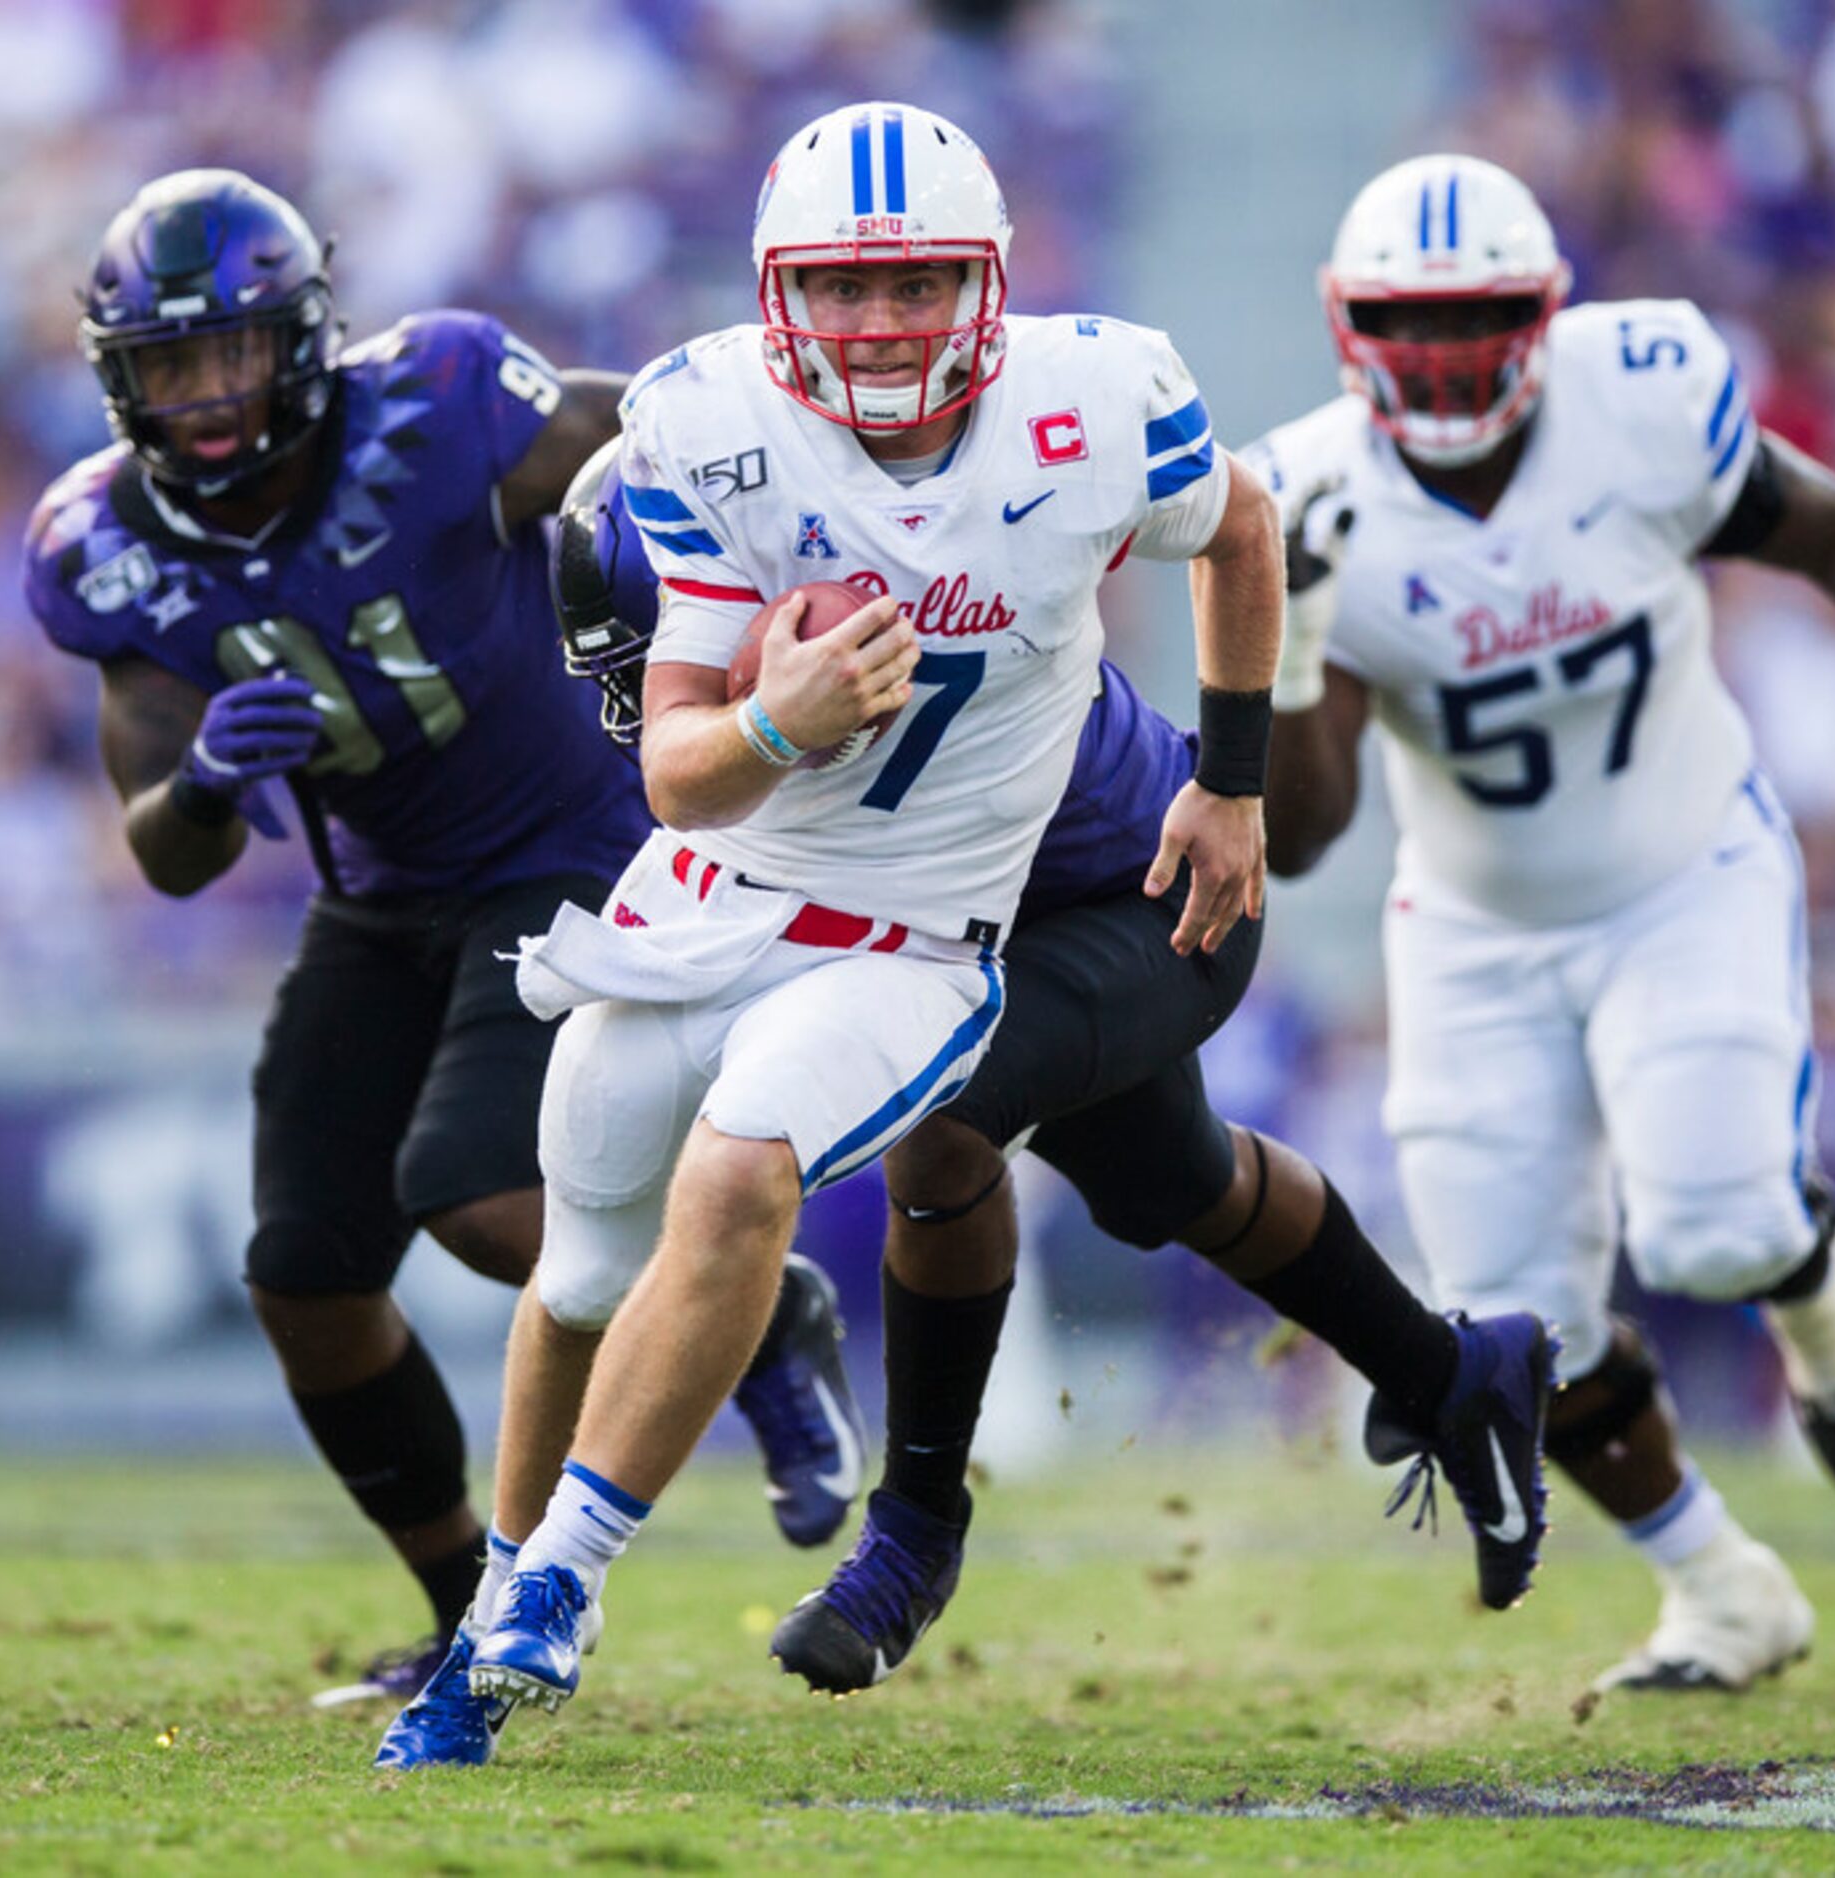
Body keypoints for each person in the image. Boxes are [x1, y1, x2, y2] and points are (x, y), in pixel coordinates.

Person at [379, 98, 1294, 1763]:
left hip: (911, 938)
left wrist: (1230, 778)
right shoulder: (706, 424)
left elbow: (1238, 524)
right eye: (842, 289)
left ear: (990, 284)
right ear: (773, 291)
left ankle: (565, 1581)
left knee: (740, 1168)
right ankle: (490, 1619)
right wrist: (781, 722)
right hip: (716, 900)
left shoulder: (1092, 400)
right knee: (577, 1262)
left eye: (922, 284)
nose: (881, 324)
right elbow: (675, 773)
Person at [20, 169, 866, 1705]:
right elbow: (165, 845)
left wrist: (700, 611)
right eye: (168, 366)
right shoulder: (102, 543)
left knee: (477, 1188)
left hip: (569, 848)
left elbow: (664, 441)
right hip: (381, 892)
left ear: (302, 341)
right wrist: (207, 780)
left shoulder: (439, 404)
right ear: (118, 378)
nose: (205, 400)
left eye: (230, 355)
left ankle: (754, 1314)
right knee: (304, 1267)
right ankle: (465, 1607)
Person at [539, 447, 1558, 1698]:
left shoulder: (865, 632)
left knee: (943, 1114)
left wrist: (1234, 776)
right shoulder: (784, 613)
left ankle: (913, 1532)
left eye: (682, 649)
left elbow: (1226, 514)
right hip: (996, 917)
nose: (665, 693)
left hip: (1142, 897)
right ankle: (1460, 1377)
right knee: (1173, 1185)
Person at [1254, 155, 1835, 1694]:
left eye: (1478, 316)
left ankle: (1830, 1321)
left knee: (1719, 1226)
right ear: (1344, 324)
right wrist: (1290, 648)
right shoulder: (1305, 498)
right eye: (1404, 322)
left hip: (1683, 867)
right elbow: (1300, 837)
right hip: (1476, 929)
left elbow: (1820, 527)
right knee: (1515, 1324)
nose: (1439, 353)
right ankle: (1719, 1584)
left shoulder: (1640, 397)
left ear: (1547, 315)